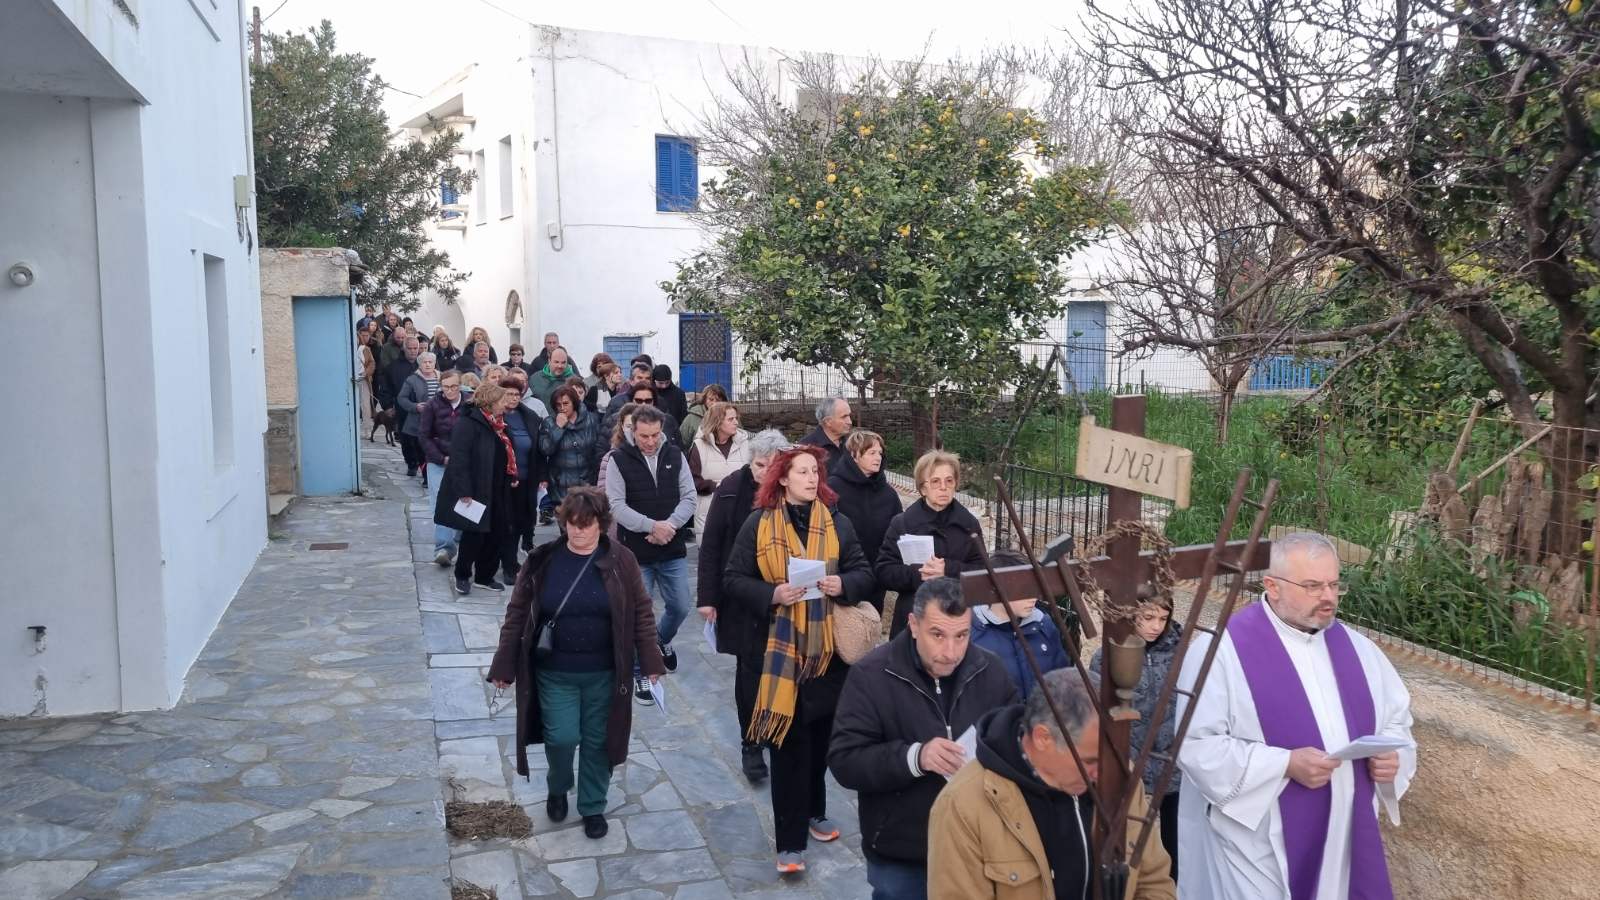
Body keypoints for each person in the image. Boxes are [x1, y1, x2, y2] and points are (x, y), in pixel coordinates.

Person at [1176, 532, 1415, 900]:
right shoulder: (1221, 651)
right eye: (1313, 586)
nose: (1328, 597)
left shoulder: (1361, 651)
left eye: (1334, 584)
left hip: (1344, 839)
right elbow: (1196, 746)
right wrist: (1284, 764)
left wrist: (1392, 759)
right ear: (1272, 586)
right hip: (1257, 846)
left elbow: (1397, 723)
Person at [722, 444, 875, 875]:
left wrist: (842, 584)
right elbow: (733, 579)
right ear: (783, 479)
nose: (812, 478)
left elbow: (865, 572)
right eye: (803, 472)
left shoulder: (838, 522)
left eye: (815, 472)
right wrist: (772, 593)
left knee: (821, 740)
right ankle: (789, 843)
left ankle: (814, 810)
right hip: (777, 655)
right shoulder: (759, 523)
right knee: (788, 748)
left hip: (827, 656)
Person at [487, 487, 666, 840]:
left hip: (606, 673)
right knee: (561, 736)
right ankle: (558, 786)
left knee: (599, 741)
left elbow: (642, 613)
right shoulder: (542, 560)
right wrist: (504, 665)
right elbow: (517, 614)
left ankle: (593, 805)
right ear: (564, 522)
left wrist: (650, 660)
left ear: (602, 524)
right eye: (572, 523)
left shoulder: (622, 560)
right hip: (555, 672)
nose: (578, 530)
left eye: (586, 524)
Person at [829, 577, 1018, 899]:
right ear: (914, 625)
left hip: (976, 846)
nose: (950, 652)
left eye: (962, 636)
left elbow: (1013, 739)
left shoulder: (991, 670)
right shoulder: (871, 675)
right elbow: (845, 760)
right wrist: (915, 758)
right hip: (901, 852)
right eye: (938, 635)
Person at [928, 669, 1176, 900]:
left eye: (1110, 757)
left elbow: (1154, 882)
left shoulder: (1120, 778)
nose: (1102, 775)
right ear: (1043, 738)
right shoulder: (964, 805)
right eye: (1090, 761)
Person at [695, 428, 789, 783]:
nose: (764, 472)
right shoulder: (732, 488)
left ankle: (777, 733)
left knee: (781, 670)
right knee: (750, 672)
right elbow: (712, 544)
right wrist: (707, 598)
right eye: (759, 465)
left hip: (784, 595)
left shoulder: (790, 490)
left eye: (772, 466)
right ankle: (751, 744)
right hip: (741, 595)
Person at [603, 406, 695, 704]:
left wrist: (669, 526)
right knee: (636, 615)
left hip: (671, 548)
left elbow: (689, 497)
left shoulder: (675, 455)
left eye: (655, 435)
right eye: (644, 436)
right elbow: (616, 505)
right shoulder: (618, 459)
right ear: (633, 431)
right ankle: (640, 671)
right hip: (635, 552)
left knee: (680, 606)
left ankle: (661, 640)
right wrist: (651, 526)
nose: (651, 441)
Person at [1090, 597, 1182, 878]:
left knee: (1174, 840)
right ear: (1132, 615)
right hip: (1129, 759)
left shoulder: (1179, 653)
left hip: (1171, 761)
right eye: (1148, 617)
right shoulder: (1108, 655)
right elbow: (1099, 709)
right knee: (1128, 838)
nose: (1156, 626)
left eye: (1163, 619)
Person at [876, 450, 985, 639]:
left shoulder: (969, 524)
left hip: (956, 615)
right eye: (935, 481)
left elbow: (982, 572)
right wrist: (919, 573)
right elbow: (884, 571)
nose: (943, 487)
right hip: (914, 615)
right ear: (923, 488)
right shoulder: (902, 523)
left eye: (949, 481)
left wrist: (948, 570)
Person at [435, 375, 524, 596]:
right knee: (474, 534)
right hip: (476, 488)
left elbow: (507, 452)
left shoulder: (499, 424)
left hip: (498, 487)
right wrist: (464, 491)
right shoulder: (468, 424)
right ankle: (462, 575)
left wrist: (512, 474)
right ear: (490, 402)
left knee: (497, 533)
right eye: (502, 400)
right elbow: (459, 459)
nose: (505, 404)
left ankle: (485, 576)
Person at [973, 548, 1073, 699]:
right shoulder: (974, 635)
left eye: (1034, 588)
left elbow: (1063, 677)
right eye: (1023, 590)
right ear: (997, 589)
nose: (1033, 597)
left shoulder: (1043, 625)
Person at [826, 429, 902, 614]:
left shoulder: (888, 494)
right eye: (872, 452)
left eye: (880, 453)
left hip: (876, 574)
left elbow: (899, 531)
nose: (878, 458)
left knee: (872, 622)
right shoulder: (832, 488)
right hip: (843, 575)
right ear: (854, 455)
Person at [497, 372, 542, 579]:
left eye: (517, 394)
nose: (514, 398)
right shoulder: (496, 416)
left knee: (522, 521)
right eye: (509, 394)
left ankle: (511, 561)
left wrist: (542, 475)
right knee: (507, 523)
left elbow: (537, 448)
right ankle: (508, 565)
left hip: (526, 479)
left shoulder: (529, 416)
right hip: (504, 480)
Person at [540, 385, 604, 528]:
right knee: (567, 529)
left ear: (574, 403)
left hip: (588, 482)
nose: (562, 408)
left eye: (565, 403)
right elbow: (546, 449)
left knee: (588, 527)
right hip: (562, 484)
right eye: (558, 405)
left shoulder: (592, 419)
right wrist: (558, 428)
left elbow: (599, 448)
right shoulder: (549, 423)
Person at [421, 370, 467, 566]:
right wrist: (441, 458)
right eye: (446, 387)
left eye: (454, 386)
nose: (450, 391)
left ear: (460, 385)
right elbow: (424, 436)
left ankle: (459, 536)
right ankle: (444, 548)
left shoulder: (469, 405)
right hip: (439, 460)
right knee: (441, 501)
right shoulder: (432, 406)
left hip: (464, 462)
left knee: (464, 500)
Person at [687, 401, 751, 528]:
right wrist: (716, 486)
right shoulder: (699, 446)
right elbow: (692, 481)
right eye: (730, 419)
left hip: (739, 510)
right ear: (717, 422)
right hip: (708, 513)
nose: (736, 423)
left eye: (736, 418)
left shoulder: (745, 444)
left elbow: (751, 475)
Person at [398, 351, 442, 482]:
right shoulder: (412, 380)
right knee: (422, 451)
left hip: (440, 421)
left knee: (438, 449)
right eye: (424, 362)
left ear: (434, 363)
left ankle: (436, 476)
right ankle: (427, 477)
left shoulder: (442, 377)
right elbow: (401, 398)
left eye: (430, 362)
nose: (427, 365)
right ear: (419, 364)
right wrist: (415, 406)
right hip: (419, 422)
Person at [382, 337, 423, 475]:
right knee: (406, 438)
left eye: (415, 348)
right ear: (404, 349)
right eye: (410, 348)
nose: (413, 351)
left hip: (424, 408)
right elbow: (385, 388)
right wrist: (387, 406)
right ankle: (411, 463)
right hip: (403, 408)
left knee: (423, 438)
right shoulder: (393, 367)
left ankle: (424, 467)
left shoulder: (425, 364)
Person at [601, 382, 682, 449]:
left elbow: (679, 449)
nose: (643, 404)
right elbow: (602, 450)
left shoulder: (668, 421)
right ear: (632, 400)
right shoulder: (614, 420)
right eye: (639, 401)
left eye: (648, 401)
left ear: (654, 402)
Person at [798, 396, 852, 472]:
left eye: (849, 415)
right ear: (828, 421)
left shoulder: (851, 444)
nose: (850, 422)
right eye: (844, 417)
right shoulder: (807, 448)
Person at [531, 346, 580, 411]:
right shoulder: (535, 378)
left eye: (563, 362)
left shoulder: (574, 381)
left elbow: (579, 406)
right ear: (549, 361)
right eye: (556, 362)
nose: (560, 366)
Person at [356, 327, 377, 437]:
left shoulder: (365, 349)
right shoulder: (349, 349)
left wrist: (366, 372)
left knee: (365, 405)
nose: (364, 338)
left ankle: (367, 429)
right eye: (362, 335)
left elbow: (372, 363)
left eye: (366, 335)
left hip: (363, 379)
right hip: (351, 380)